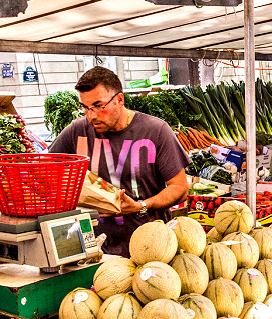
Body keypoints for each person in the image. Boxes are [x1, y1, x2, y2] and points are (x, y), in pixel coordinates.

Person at [50, 67, 189, 257]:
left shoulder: (155, 131)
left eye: (99, 106)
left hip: (149, 252)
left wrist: (141, 206)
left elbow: (180, 188)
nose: (91, 115)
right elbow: (45, 171)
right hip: (91, 252)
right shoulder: (77, 131)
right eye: (85, 107)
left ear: (119, 100)